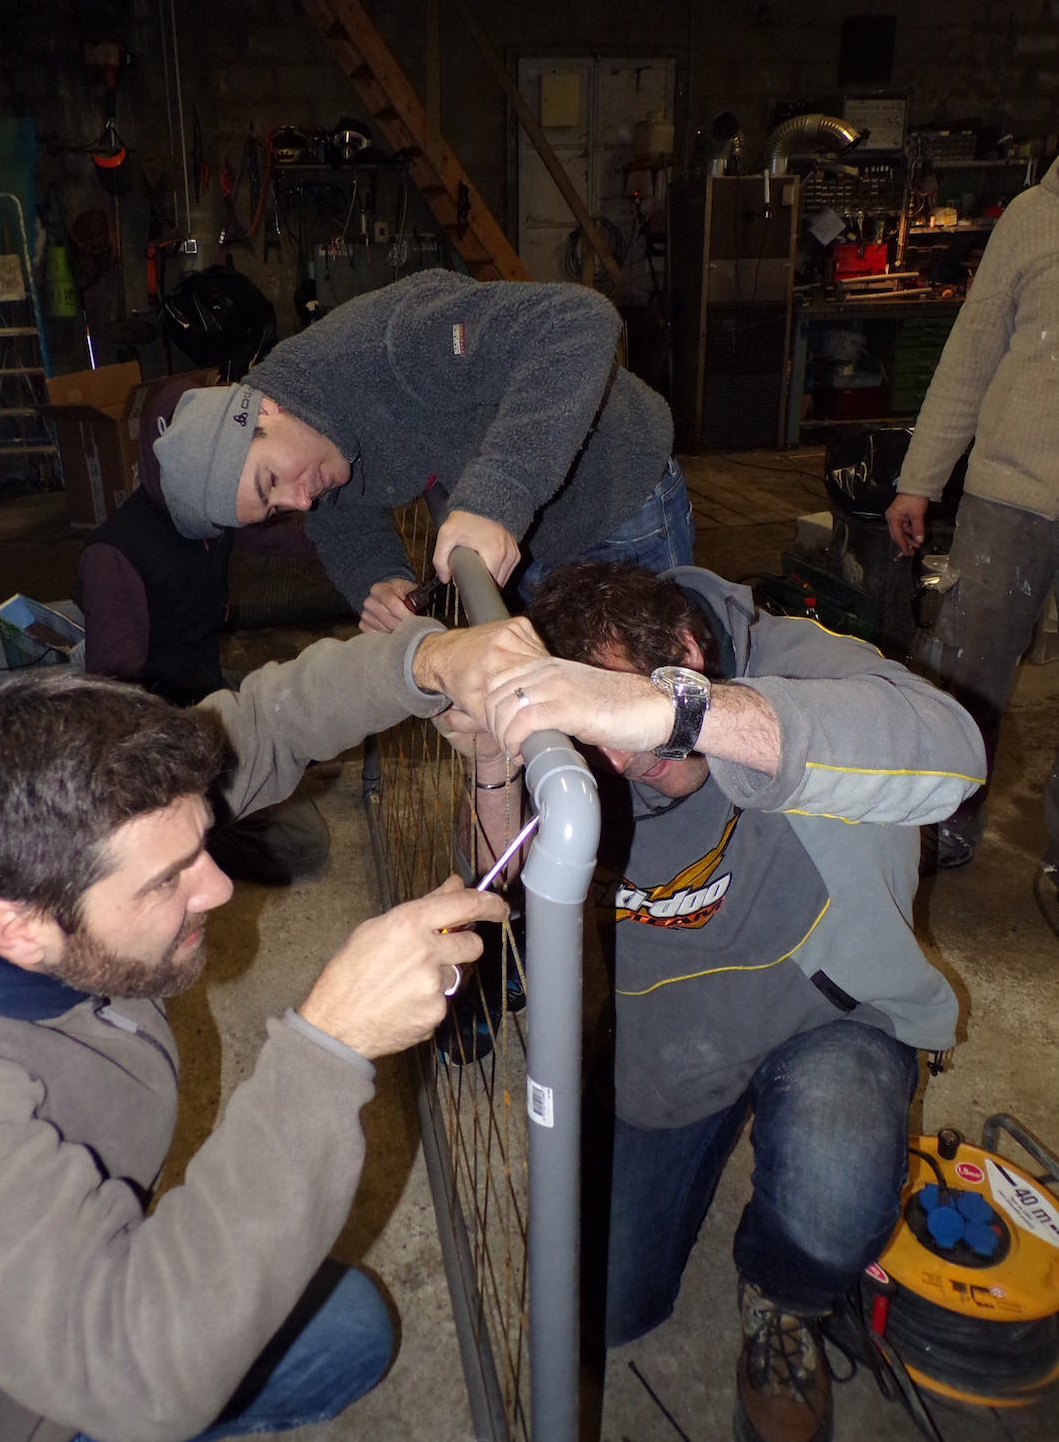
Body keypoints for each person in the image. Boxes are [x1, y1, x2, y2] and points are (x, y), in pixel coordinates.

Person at [0, 622, 507, 1442]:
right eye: (169, 880)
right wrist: (329, 1043)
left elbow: (261, 725)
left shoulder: (25, 839)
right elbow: (135, 1368)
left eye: (198, 846)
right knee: (241, 1349)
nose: (221, 887)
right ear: (20, 930)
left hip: (34, 1291)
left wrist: (426, 661)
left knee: (349, 1328)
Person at [418, 559, 983, 1442]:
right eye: (597, 736)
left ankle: (784, 1296)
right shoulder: (588, 756)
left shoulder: (785, 658)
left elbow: (955, 757)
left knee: (834, 1195)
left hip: (829, 1013)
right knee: (605, 1310)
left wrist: (680, 715)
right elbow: (501, 882)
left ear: (686, 648)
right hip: (677, 1043)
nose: (616, 763)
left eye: (620, 724)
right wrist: (494, 752)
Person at [150, 270, 689, 634]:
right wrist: (381, 578)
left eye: (271, 483)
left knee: (664, 714)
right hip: (525, 535)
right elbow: (339, 511)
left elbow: (577, 321)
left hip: (618, 498)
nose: (300, 502)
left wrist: (498, 497)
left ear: (265, 409)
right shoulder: (306, 423)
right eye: (275, 509)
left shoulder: (397, 344)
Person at [885, 159, 1059, 895]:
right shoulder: (1033, 216)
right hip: (1008, 494)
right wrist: (919, 479)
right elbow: (970, 355)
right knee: (966, 673)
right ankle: (946, 819)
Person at [79, 373, 330, 884]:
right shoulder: (115, 557)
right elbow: (110, 706)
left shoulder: (214, 514)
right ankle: (198, 835)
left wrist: (359, 530)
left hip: (209, 691)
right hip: (167, 735)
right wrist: (174, 789)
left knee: (312, 705)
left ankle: (253, 775)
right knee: (303, 845)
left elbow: (292, 540)